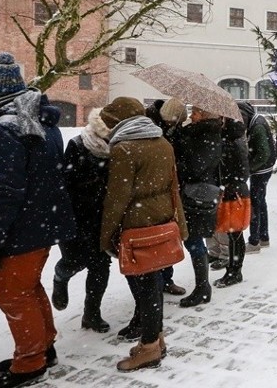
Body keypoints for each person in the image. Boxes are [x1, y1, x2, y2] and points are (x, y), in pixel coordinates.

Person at [0, 52, 76, 387]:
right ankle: (44, 347)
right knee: (28, 288)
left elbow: (3, 190)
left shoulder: (4, 129)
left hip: (19, 229)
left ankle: (29, 362)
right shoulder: (41, 121)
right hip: (42, 223)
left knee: (13, 294)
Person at [99, 96, 187, 372]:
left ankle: (149, 346)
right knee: (152, 283)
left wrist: (106, 235)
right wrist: (181, 224)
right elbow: (174, 187)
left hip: (136, 224)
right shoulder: (162, 143)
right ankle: (155, 338)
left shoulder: (124, 148)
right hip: (160, 219)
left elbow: (117, 197)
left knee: (144, 286)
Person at [51, 108, 113, 334]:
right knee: (75, 261)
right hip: (77, 216)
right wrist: (92, 182)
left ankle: (91, 313)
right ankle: (61, 276)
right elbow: (66, 182)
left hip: (102, 217)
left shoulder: (117, 147)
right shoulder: (78, 144)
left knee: (101, 265)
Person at [174, 107, 222, 308]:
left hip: (198, 193)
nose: (191, 115)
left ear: (205, 115)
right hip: (198, 191)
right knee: (194, 239)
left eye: (195, 112)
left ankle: (202, 288)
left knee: (194, 239)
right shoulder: (201, 133)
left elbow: (196, 168)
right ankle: (202, 287)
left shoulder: (208, 136)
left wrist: (179, 160)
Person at [144, 98, 188, 296]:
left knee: (168, 233)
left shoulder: (173, 127)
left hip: (169, 188)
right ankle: (152, 281)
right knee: (154, 237)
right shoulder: (150, 125)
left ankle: (166, 278)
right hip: (152, 189)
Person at [214, 111, 250, 288]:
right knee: (234, 233)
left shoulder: (231, 144)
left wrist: (228, 184)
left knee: (235, 233)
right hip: (235, 191)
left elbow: (240, 171)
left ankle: (235, 271)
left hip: (234, 193)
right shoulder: (235, 141)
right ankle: (233, 269)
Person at [238, 102, 277, 251]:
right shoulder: (256, 122)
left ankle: (255, 241)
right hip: (263, 168)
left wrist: (250, 168)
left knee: (255, 203)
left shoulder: (257, 126)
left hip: (261, 170)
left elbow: (263, 153)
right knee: (260, 202)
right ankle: (263, 236)